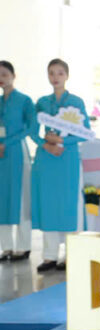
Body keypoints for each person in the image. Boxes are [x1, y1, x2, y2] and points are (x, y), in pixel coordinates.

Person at [31, 58, 89, 272]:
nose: (55, 77)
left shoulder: (76, 102)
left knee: (68, 205)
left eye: (60, 73)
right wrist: (45, 145)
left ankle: (70, 255)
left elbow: (85, 133)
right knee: (48, 204)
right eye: (51, 73)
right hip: (47, 159)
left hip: (68, 159)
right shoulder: (42, 103)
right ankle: (49, 256)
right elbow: (32, 130)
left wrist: (62, 141)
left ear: (67, 75)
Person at [0, 61, 36, 261]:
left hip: (17, 152)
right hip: (0, 156)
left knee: (21, 199)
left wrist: (7, 143)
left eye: (4, 74)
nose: (1, 79)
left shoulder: (24, 100)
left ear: (14, 76)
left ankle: (23, 246)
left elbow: (31, 128)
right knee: (2, 200)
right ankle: (6, 247)